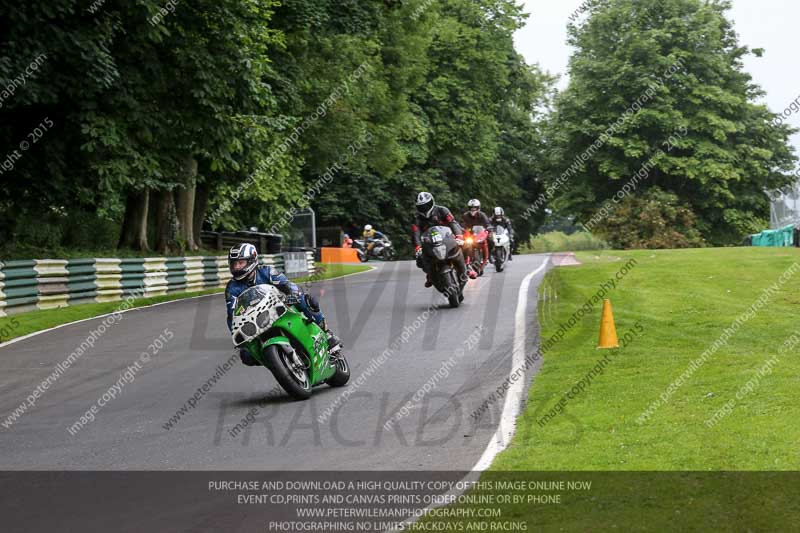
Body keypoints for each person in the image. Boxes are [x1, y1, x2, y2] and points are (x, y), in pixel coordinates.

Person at [225, 243, 342, 366]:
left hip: (280, 307)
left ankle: (327, 333)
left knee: (308, 300)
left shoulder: (267, 272)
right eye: (234, 264)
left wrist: (293, 295)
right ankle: (277, 362)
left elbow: (288, 285)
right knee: (246, 355)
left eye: (240, 263)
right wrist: (239, 337)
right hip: (257, 322)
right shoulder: (232, 289)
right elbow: (232, 315)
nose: (237, 267)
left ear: (252, 260)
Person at [411, 191, 471, 287]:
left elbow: (453, 223)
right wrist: (418, 247)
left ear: (432, 202)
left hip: (448, 237)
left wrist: (458, 236)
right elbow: (416, 232)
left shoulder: (442, 210)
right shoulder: (416, 217)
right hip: (429, 242)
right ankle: (430, 274)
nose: (424, 208)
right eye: (421, 206)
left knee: (467, 244)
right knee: (419, 258)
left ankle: (467, 266)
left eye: (427, 205)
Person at [462, 199, 493, 268]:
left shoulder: (482, 215)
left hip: (481, 233)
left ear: (478, 208)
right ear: (469, 208)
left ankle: (490, 256)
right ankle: (464, 259)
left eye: (475, 208)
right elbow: (462, 225)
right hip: (470, 234)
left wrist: (489, 228)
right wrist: (463, 230)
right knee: (462, 244)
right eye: (471, 208)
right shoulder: (465, 215)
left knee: (491, 240)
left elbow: (487, 223)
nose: (473, 210)